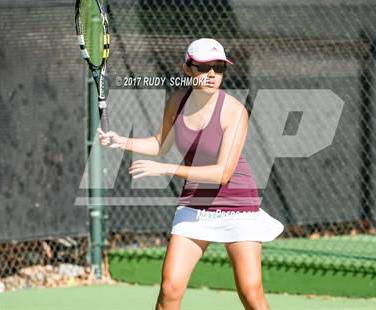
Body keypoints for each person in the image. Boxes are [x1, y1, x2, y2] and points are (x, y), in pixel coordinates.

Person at [98, 38, 284, 310]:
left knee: (250, 291)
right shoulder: (177, 101)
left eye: (218, 68)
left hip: (238, 206)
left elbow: (222, 173)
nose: (211, 75)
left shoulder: (235, 112)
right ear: (187, 69)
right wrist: (121, 141)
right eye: (204, 67)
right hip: (194, 204)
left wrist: (167, 169)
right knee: (170, 289)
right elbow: (161, 144)